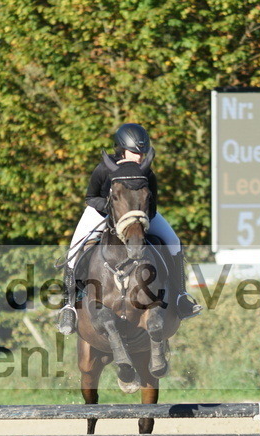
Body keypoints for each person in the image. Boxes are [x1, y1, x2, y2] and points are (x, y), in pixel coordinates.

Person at [58, 123, 202, 335]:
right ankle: (68, 305)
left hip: (138, 216)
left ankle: (181, 297)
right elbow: (91, 197)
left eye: (142, 153)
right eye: (135, 152)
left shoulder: (147, 172)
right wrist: (110, 208)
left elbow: (152, 207)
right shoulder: (104, 169)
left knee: (173, 242)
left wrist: (137, 218)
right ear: (121, 149)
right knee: (74, 250)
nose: (140, 157)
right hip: (102, 214)